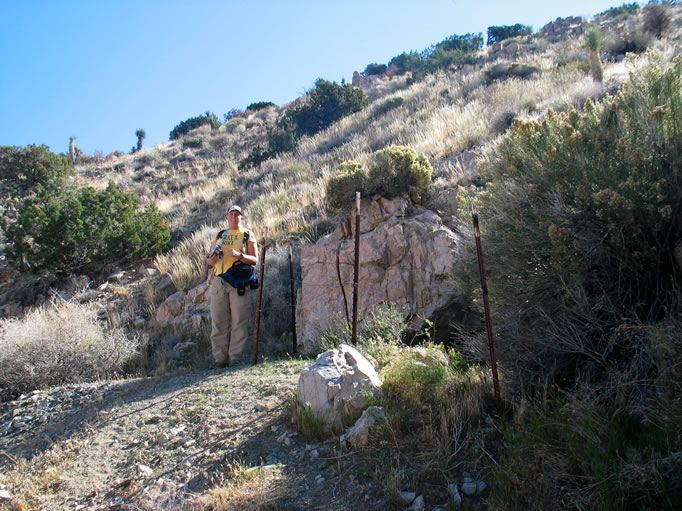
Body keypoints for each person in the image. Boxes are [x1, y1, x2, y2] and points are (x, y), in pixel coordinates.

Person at [206, 205, 258, 367]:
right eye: (231, 214)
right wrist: (212, 258)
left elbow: (255, 259)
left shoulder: (247, 235)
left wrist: (239, 255)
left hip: (239, 282)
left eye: (237, 215)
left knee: (239, 321)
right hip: (219, 281)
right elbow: (209, 260)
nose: (234, 217)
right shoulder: (220, 235)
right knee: (218, 321)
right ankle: (219, 360)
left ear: (242, 218)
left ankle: (236, 358)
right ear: (227, 218)